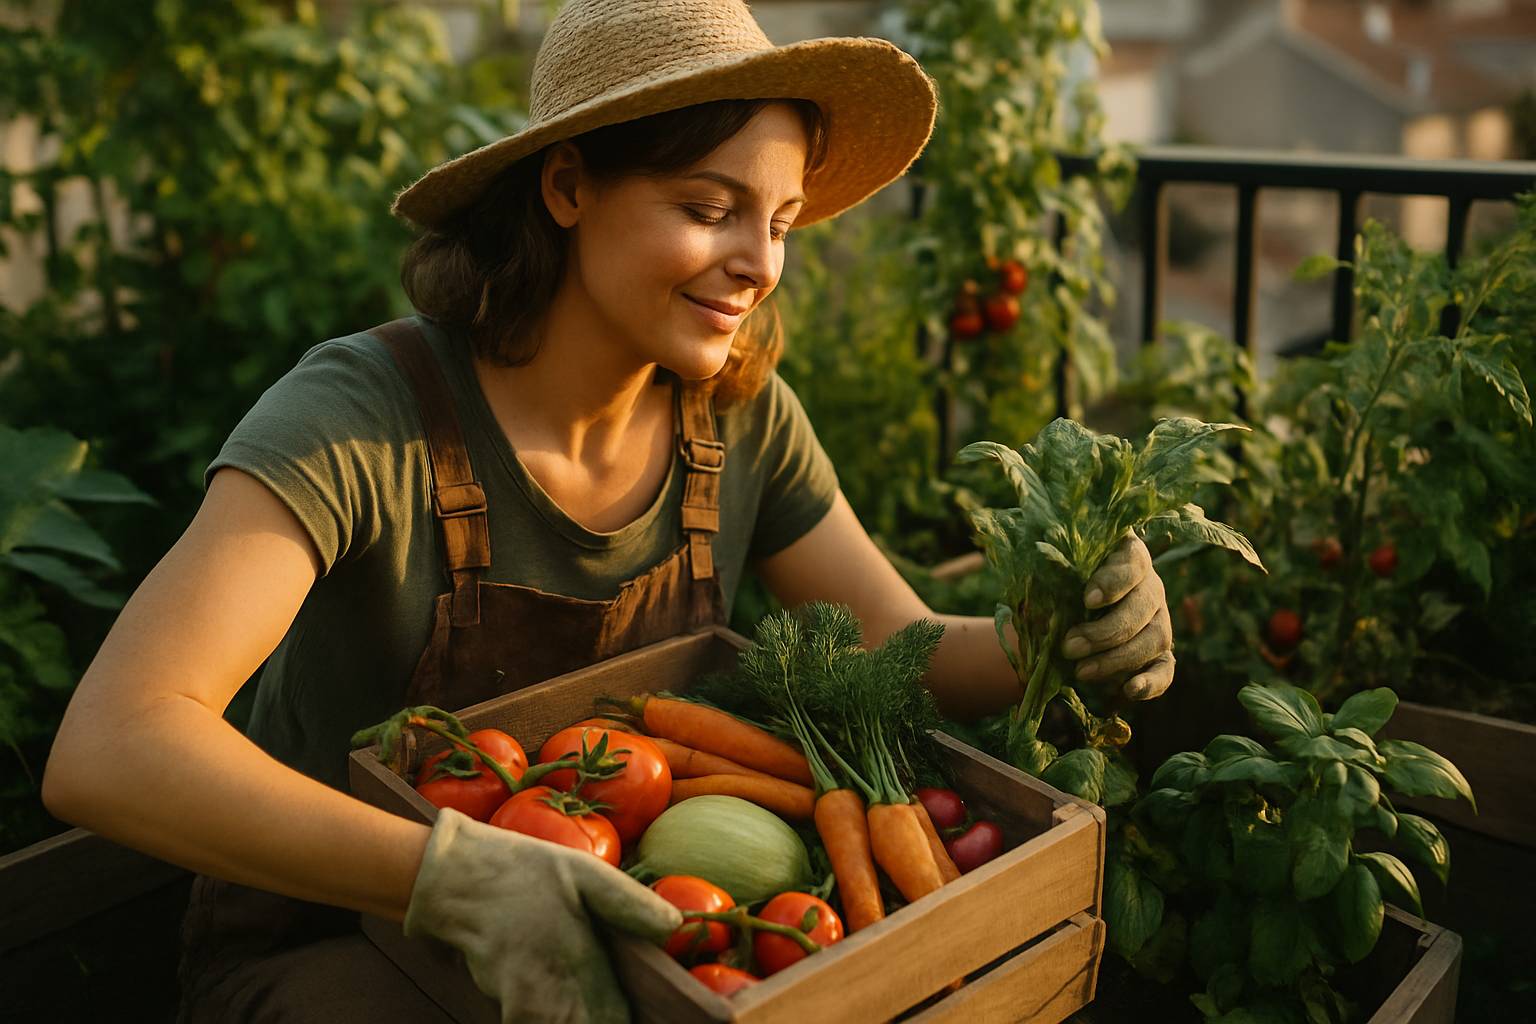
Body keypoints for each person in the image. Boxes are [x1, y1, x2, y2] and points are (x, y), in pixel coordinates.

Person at [40, 1, 1175, 1022]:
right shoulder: (365, 417)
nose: (758, 263)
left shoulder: (739, 420)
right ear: (569, 187)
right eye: (709, 207)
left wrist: (1048, 637)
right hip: (330, 947)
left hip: (633, 948)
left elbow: (897, 647)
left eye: (778, 220)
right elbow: (112, 745)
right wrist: (456, 875)